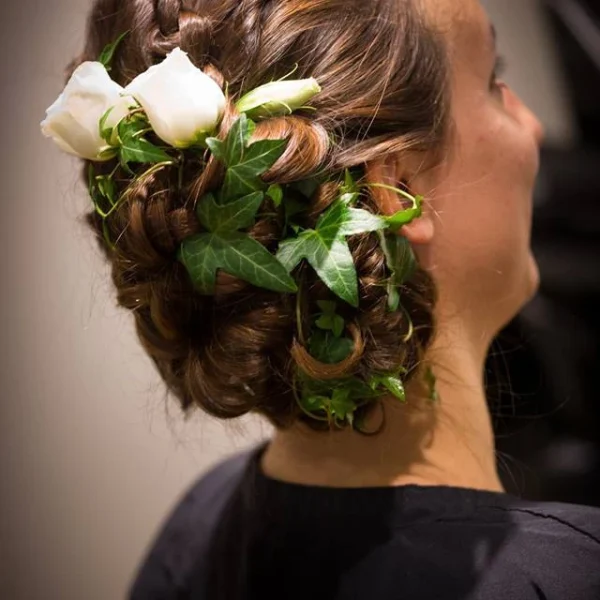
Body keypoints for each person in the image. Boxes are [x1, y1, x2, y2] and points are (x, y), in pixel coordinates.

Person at [41, 0, 600, 598]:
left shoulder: (193, 534)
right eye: (494, 80)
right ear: (396, 189)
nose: (534, 127)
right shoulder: (569, 578)